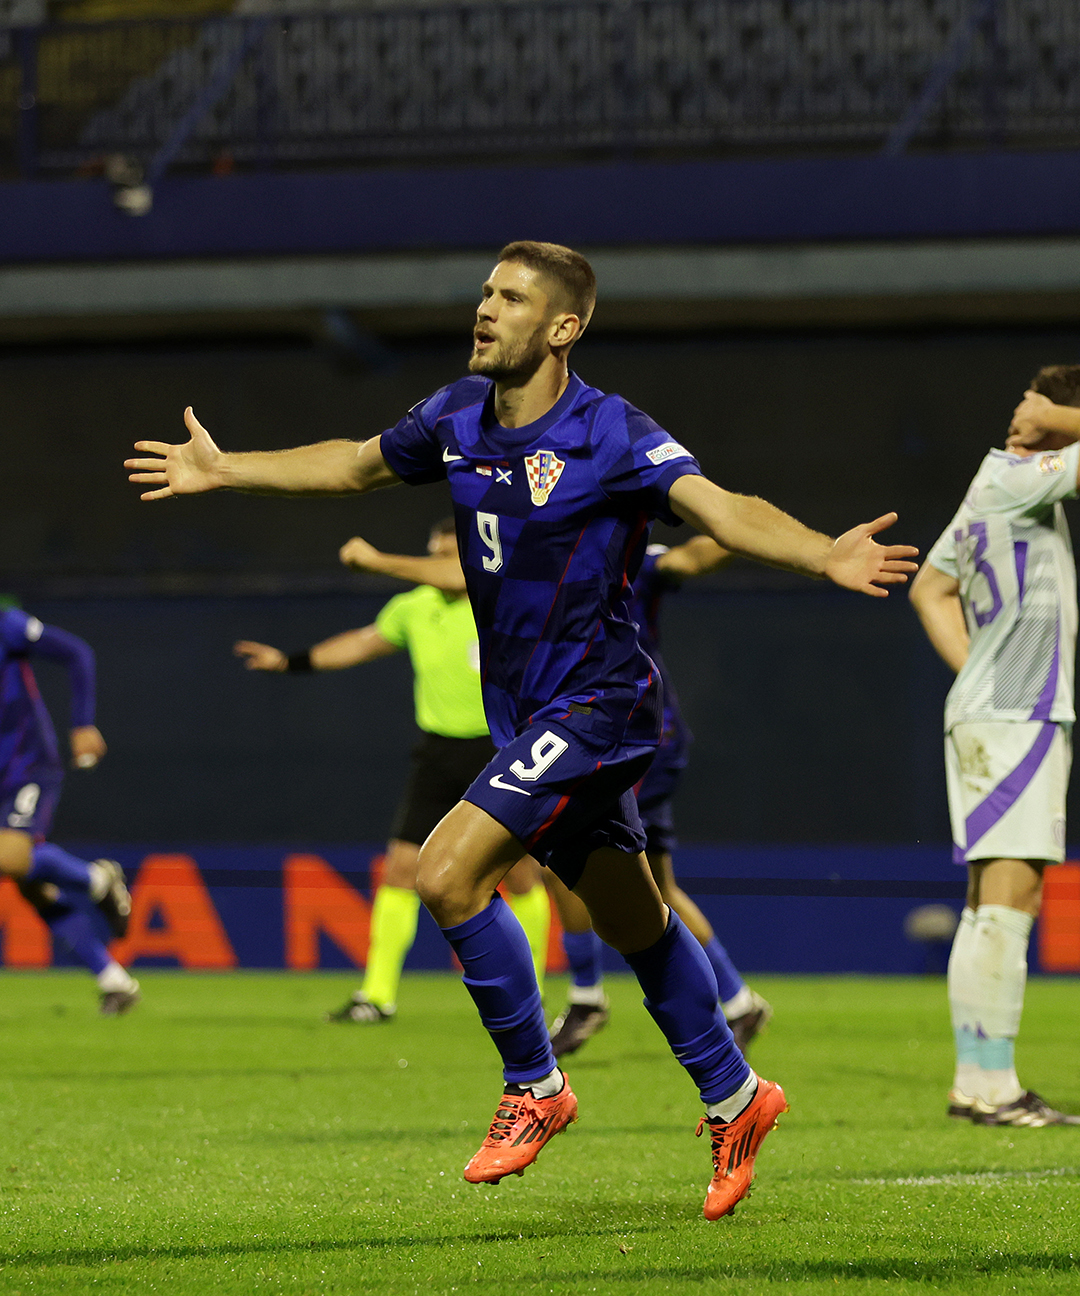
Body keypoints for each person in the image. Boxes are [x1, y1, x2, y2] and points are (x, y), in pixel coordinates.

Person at [127, 239, 917, 1219]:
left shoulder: (611, 433)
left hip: (600, 703)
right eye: (485, 293)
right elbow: (353, 464)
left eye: (510, 298)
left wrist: (819, 554)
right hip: (527, 716)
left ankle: (536, 1088)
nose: (485, 310)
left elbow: (721, 506)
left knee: (446, 871)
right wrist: (227, 468)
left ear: (562, 328)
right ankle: (738, 1096)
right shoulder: (456, 418)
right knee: (633, 921)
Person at [233, 519, 550, 1020]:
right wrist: (289, 662)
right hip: (438, 754)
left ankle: (529, 990)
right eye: (433, 549)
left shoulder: (494, 596)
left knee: (521, 873)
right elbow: (360, 643)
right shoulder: (413, 608)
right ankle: (377, 996)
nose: (438, 561)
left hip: (500, 750)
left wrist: (378, 561)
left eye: (449, 551)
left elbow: (456, 576)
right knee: (401, 870)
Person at [909, 363, 1080, 1127]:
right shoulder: (1016, 475)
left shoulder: (999, 486)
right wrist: (1062, 419)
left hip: (993, 708)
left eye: (1039, 400)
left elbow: (930, 588)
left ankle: (977, 1080)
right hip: (1017, 714)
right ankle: (993, 1087)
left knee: (987, 904)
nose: (1022, 409)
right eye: (1023, 398)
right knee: (1010, 902)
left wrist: (974, 668)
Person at [547, 537, 772, 1057]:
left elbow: (691, 557)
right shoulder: (550, 563)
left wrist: (738, 525)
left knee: (556, 857)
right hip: (619, 737)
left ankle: (586, 997)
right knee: (658, 885)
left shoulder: (628, 560)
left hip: (636, 740)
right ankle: (739, 1002)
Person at [0, 598, 138, 1014]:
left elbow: (76, 652)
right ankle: (114, 979)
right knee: (31, 886)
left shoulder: (6, 626)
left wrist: (82, 722)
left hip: (27, 765)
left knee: (9, 856)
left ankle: (96, 879)